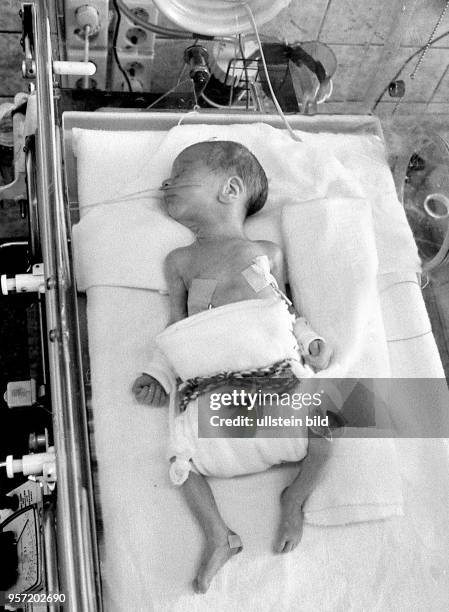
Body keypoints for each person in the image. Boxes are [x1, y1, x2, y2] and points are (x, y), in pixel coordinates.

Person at [132, 140, 333, 593]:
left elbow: (284, 312)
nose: (166, 183)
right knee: (182, 462)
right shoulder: (180, 262)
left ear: (231, 188)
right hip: (215, 388)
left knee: (329, 426)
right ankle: (219, 535)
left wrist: (311, 340)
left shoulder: (265, 252)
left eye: (180, 172)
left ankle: (295, 498)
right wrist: (159, 373)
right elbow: (178, 331)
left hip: (273, 381)